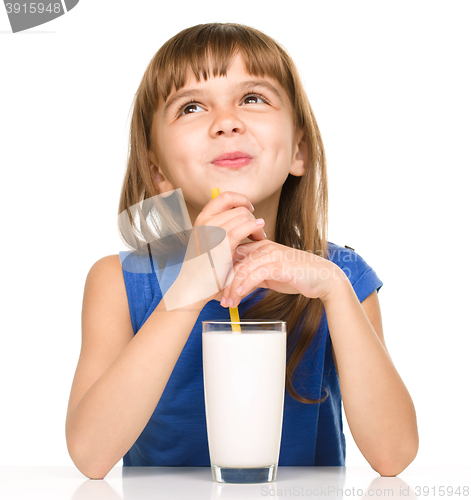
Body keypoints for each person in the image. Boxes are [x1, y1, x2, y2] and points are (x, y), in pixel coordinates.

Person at [65, 22, 419, 480]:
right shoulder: (119, 282)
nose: (227, 121)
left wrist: (334, 289)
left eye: (253, 99)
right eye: (191, 106)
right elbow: (90, 456)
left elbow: (393, 455)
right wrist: (189, 290)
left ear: (299, 151)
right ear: (158, 174)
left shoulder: (342, 276)